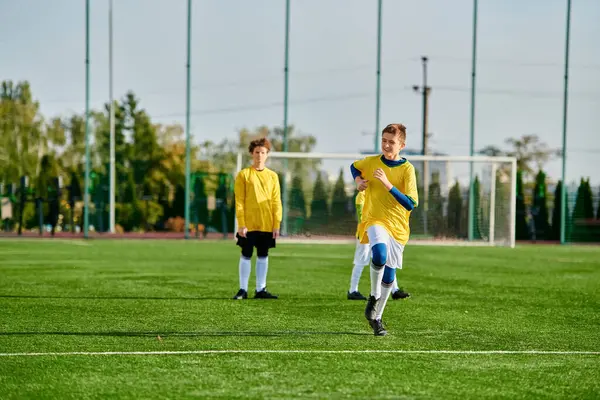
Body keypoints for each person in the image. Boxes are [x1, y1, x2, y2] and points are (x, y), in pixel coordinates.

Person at [351, 123, 418, 335]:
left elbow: (410, 203)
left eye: (392, 142)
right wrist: (359, 180)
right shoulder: (371, 161)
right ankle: (373, 295)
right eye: (384, 141)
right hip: (375, 219)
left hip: (398, 227)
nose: (387, 145)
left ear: (402, 145)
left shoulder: (407, 169)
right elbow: (354, 166)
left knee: (389, 275)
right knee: (378, 253)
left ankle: (377, 318)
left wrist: (388, 184)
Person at [232, 137, 281, 300]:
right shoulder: (244, 175)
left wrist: (276, 224)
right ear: (252, 154)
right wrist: (242, 223)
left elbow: (276, 201)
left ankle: (260, 290)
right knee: (246, 254)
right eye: (257, 152)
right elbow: (239, 201)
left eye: (263, 152)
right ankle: (243, 290)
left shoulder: (273, 176)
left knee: (263, 255)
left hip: (267, 224)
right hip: (249, 224)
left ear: (267, 155)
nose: (259, 155)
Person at [347, 190, 411, 301]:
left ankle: (394, 290)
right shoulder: (361, 196)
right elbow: (362, 217)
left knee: (386, 260)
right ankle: (353, 290)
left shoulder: (377, 193)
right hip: (365, 234)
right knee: (360, 261)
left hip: (378, 232)